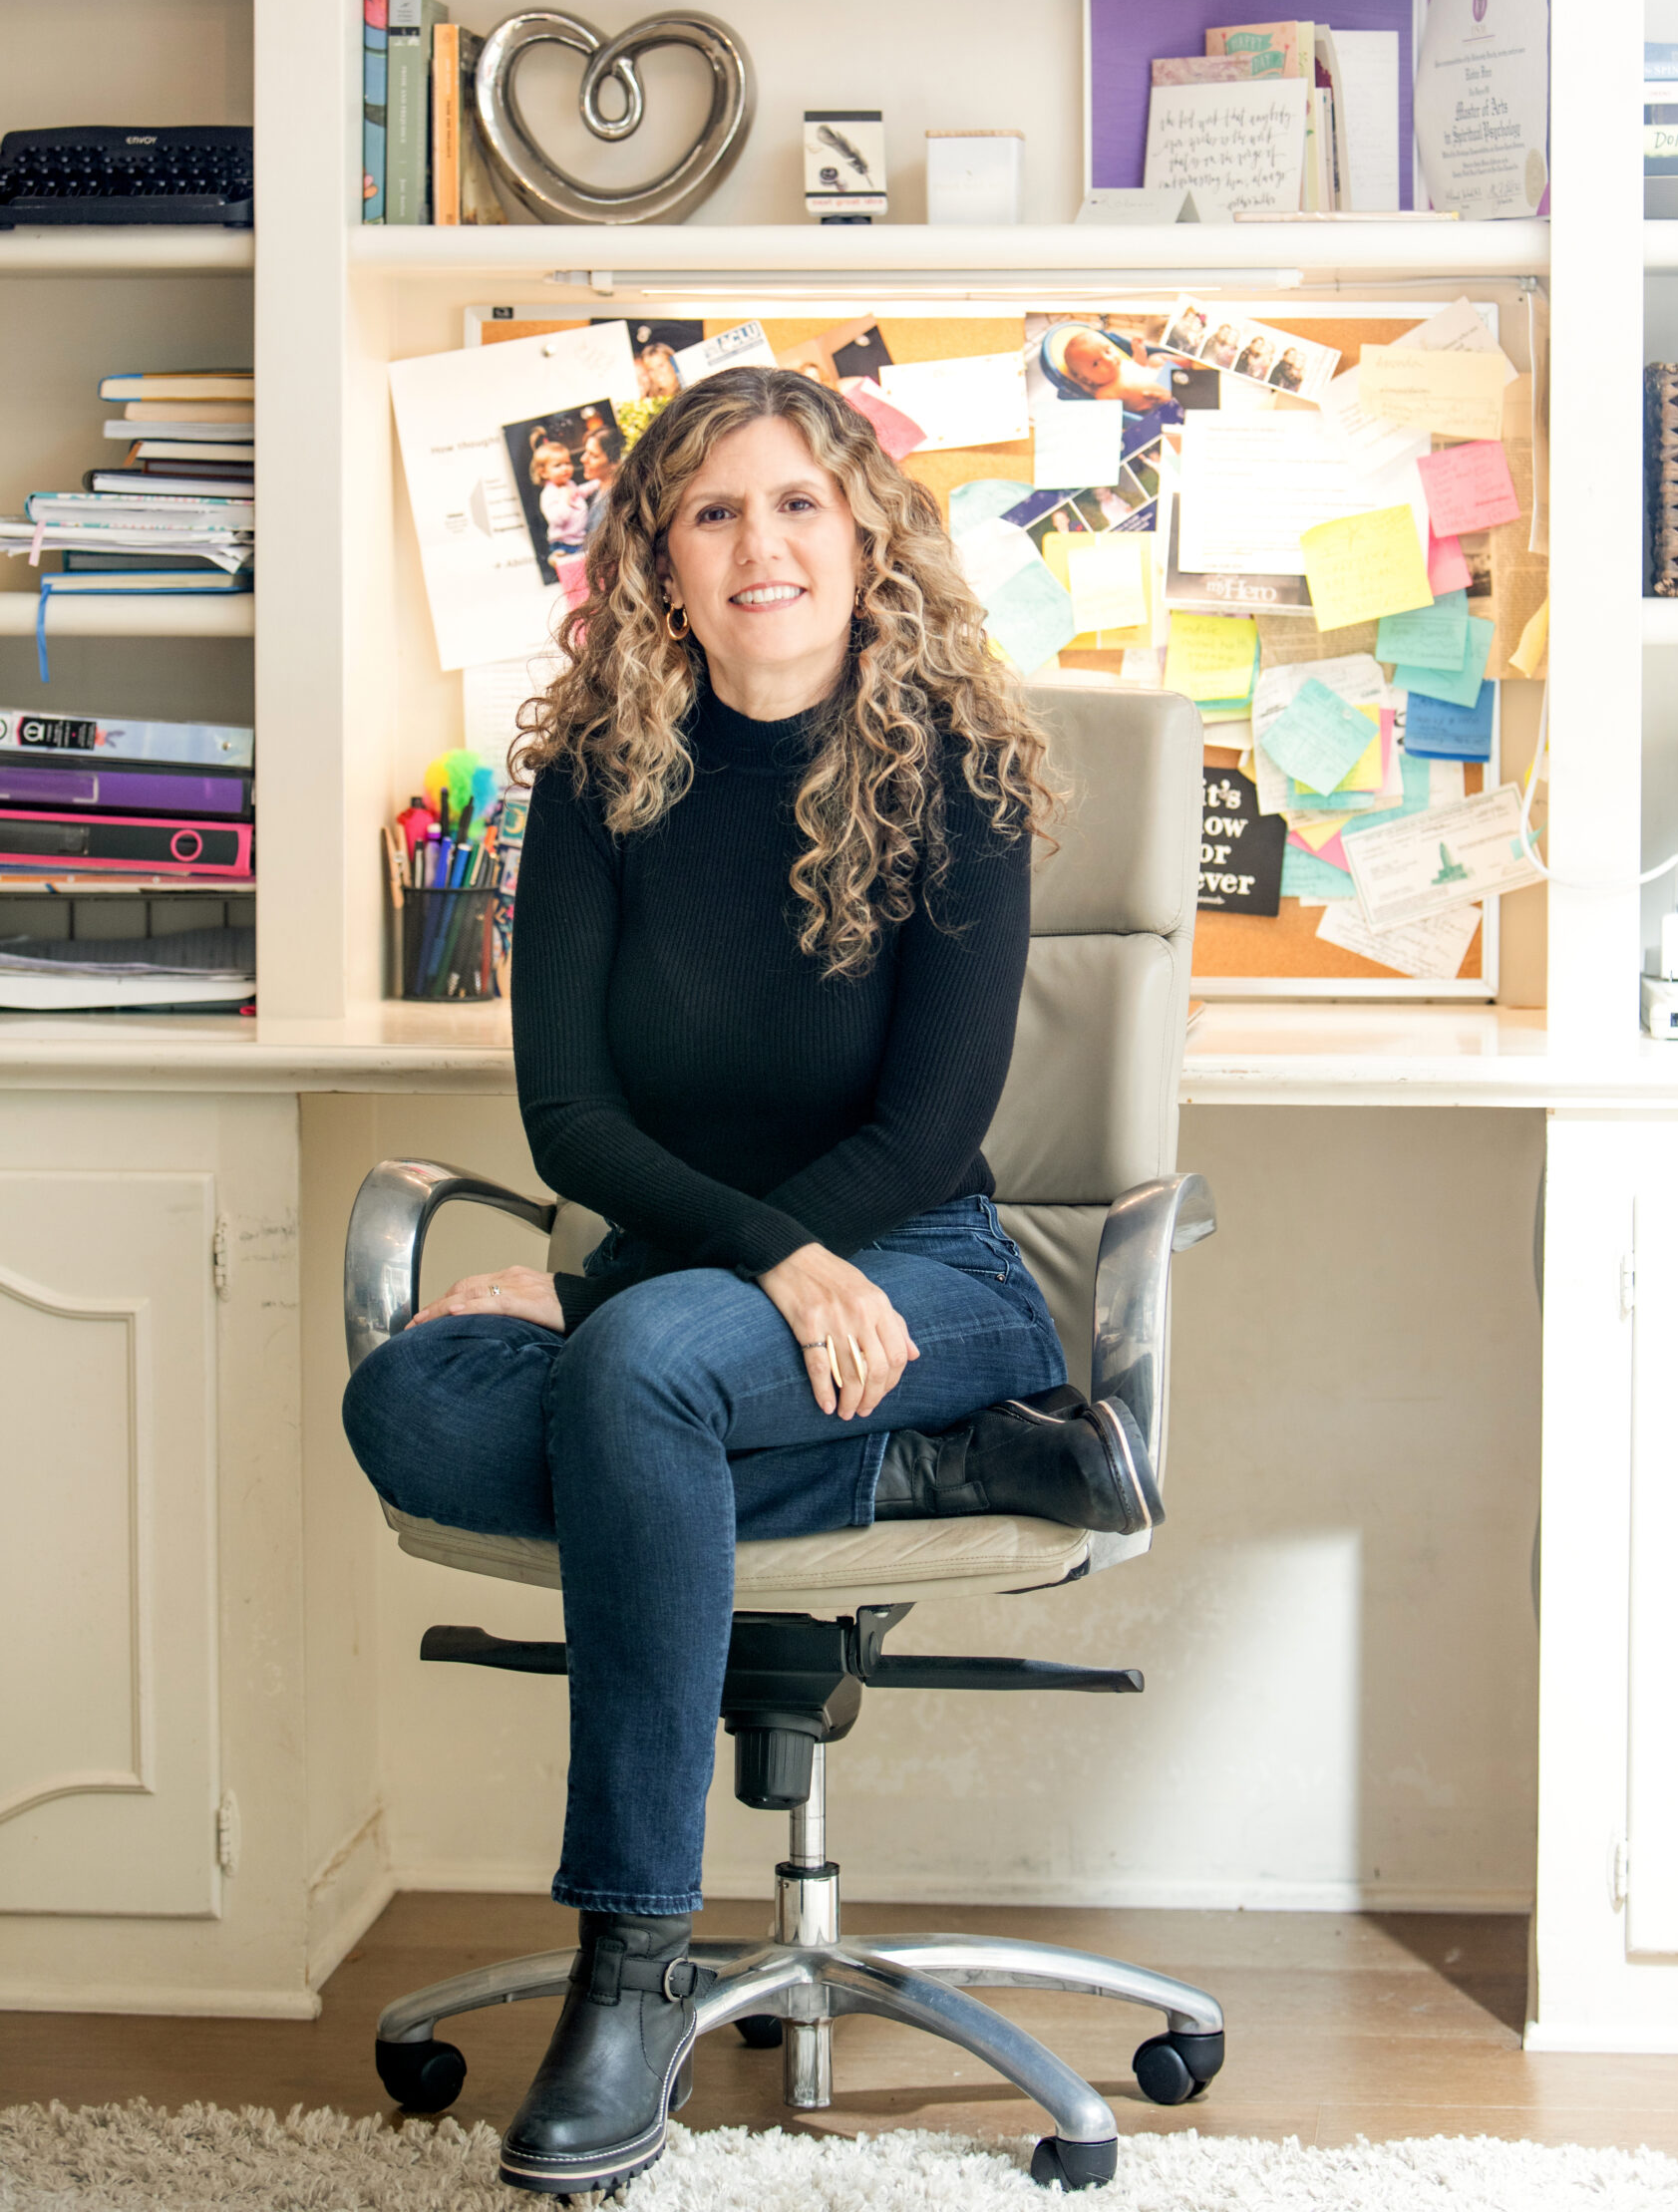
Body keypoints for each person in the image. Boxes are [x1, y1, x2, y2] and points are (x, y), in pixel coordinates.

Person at [342, 368, 1159, 2197]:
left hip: (926, 1277)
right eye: (711, 512)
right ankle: (945, 1464)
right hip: (679, 1302)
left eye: (795, 503)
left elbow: (932, 1127)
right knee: (402, 1393)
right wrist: (673, 1283)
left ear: (863, 532)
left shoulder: (958, 768)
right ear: (658, 560)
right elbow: (569, 1116)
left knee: (633, 1379)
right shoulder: (594, 778)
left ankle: (626, 1965)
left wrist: (759, 1274)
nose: (759, 545)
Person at [1038, 322, 1172, 412]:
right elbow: (1120, 418)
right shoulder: (1106, 394)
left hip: (1169, 376)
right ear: (1086, 379)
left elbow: (1140, 367)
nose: (1108, 360)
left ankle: (1191, 363)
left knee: (1155, 359)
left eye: (1108, 351)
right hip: (1163, 400)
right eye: (1096, 363)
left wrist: (1138, 352)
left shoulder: (1122, 364)